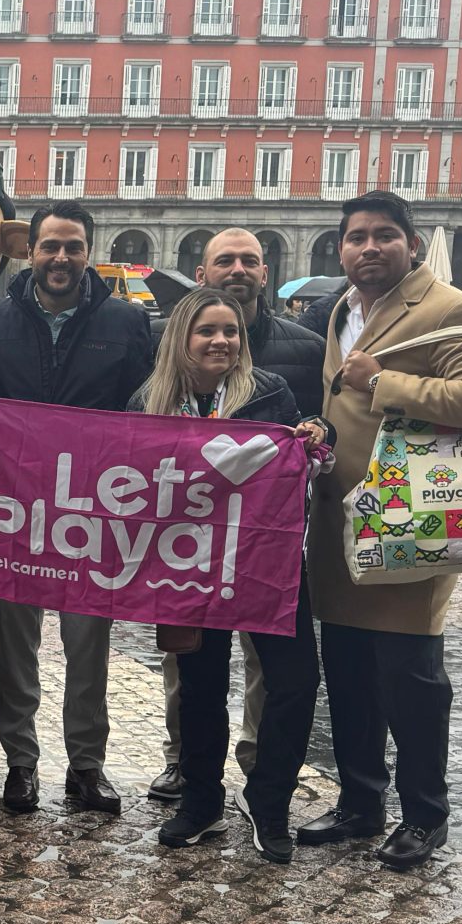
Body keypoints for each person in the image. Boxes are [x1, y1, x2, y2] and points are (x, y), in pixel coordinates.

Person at [306, 190, 462, 870]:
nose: (370, 247)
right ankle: (361, 803)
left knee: (412, 682)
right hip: (339, 522)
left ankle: (425, 815)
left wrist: (386, 379)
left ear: (411, 244)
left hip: (412, 523)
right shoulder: (341, 308)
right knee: (350, 675)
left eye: (385, 235)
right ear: (341, 247)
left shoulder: (451, 308)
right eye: (357, 236)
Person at [0, 199, 152, 815]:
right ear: (30, 251)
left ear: (88, 253)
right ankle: (22, 763)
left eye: (73, 247)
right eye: (51, 246)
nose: (61, 258)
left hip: (92, 513)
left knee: (88, 647)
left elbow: (147, 411)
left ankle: (86, 767)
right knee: (17, 646)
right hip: (16, 509)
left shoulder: (126, 322)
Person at [128, 288, 329, 862]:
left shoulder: (269, 392)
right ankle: (201, 801)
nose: (221, 341)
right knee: (200, 684)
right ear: (181, 340)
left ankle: (269, 803)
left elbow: (303, 456)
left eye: (231, 331)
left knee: (293, 680)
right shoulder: (148, 402)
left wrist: (316, 439)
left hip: (266, 561)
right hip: (187, 564)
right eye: (207, 331)